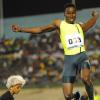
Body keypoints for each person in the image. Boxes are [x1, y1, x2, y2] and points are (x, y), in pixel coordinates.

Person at [11, 3, 98, 100]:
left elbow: (90, 23)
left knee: (85, 79)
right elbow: (40, 29)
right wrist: (21, 29)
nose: (71, 15)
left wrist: (95, 16)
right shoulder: (59, 24)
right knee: (68, 96)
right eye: (68, 13)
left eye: (73, 13)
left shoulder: (79, 26)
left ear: (76, 14)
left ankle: (92, 99)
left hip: (82, 57)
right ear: (64, 14)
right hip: (69, 60)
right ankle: (77, 95)